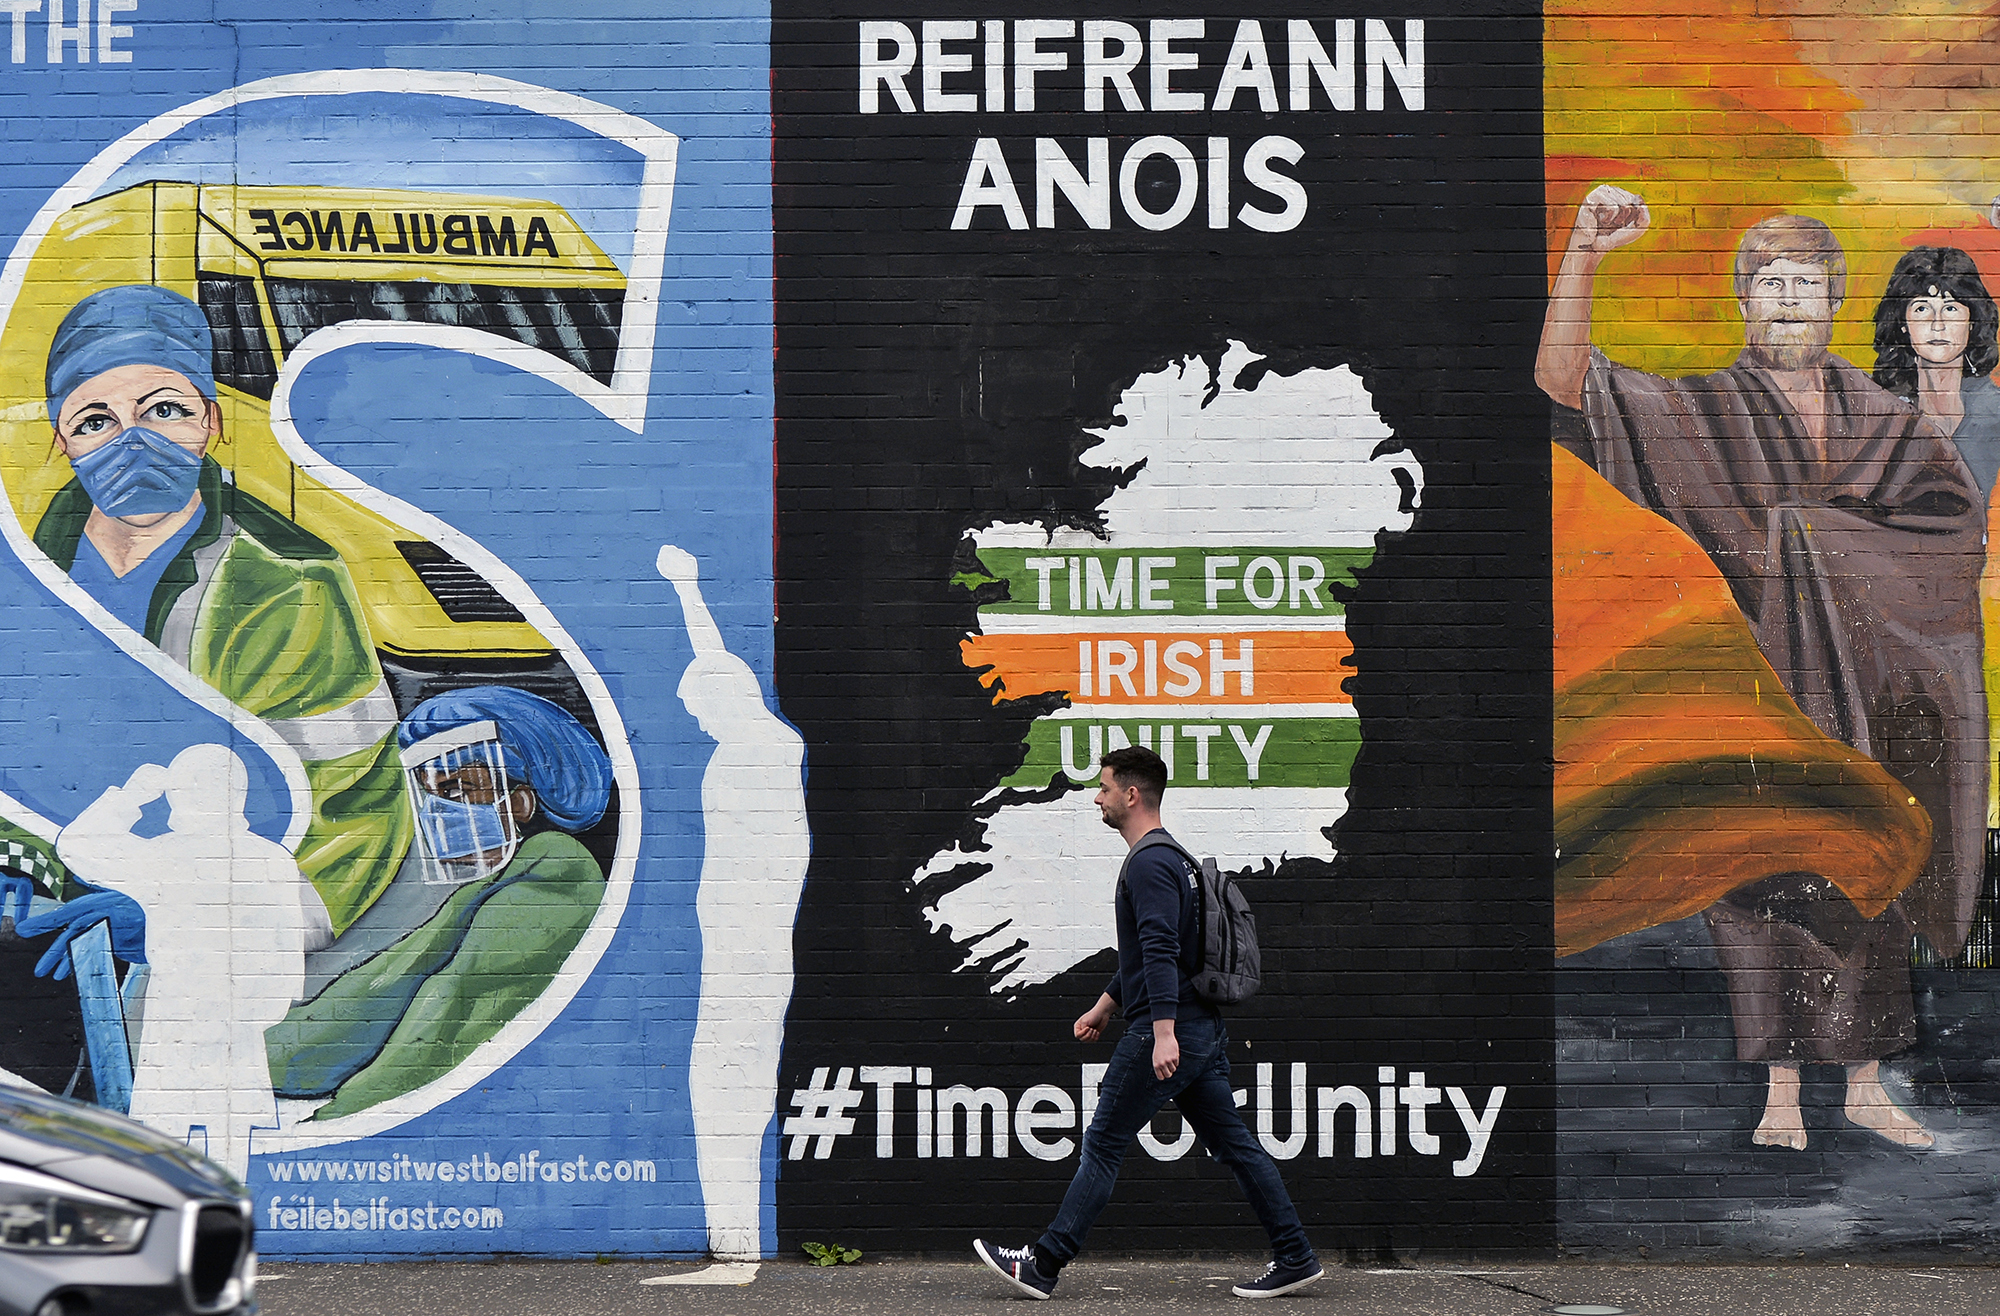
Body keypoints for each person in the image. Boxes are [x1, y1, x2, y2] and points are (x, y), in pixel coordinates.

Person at [1537, 186, 1988, 1150]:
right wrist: (1583, 253)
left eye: (1807, 284)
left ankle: (1865, 1085)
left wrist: (1818, 545)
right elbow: (1566, 381)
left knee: (1871, 869)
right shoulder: (1699, 412)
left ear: (1835, 300)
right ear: (1745, 300)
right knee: (1768, 881)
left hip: (1871, 693)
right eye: (1770, 283)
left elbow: (1952, 535)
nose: (1789, 301)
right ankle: (1781, 1092)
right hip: (1763, 697)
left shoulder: (1892, 422)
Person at [30, 284, 410, 938]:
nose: (132, 443)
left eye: (163, 410)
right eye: (96, 420)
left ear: (210, 421)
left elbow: (348, 816)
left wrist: (185, 919)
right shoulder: (32, 579)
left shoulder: (290, 587)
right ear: (63, 441)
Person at [973, 745, 1321, 1301]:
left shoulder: (1149, 862)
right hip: (1197, 1027)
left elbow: (1160, 949)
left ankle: (1043, 1263)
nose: (1098, 797)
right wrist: (1105, 1006)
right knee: (1236, 1147)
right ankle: (1296, 1255)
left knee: (1104, 1142)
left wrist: (1161, 1033)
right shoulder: (1173, 859)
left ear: (1131, 795)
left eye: (1105, 787)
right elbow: (1153, 953)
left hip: (1173, 1029)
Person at [267, 684, 612, 1118]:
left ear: (521, 802)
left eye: (455, 791)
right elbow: (373, 991)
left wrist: (332, 1123)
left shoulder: (558, 877)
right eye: (428, 796)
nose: (437, 815)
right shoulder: (480, 884)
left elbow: (449, 1014)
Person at [1870, 245, 2000, 500]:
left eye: (1950, 308)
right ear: (1903, 324)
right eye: (1921, 308)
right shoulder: (1882, 413)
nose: (1937, 324)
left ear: (1972, 322)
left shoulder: (1996, 411)